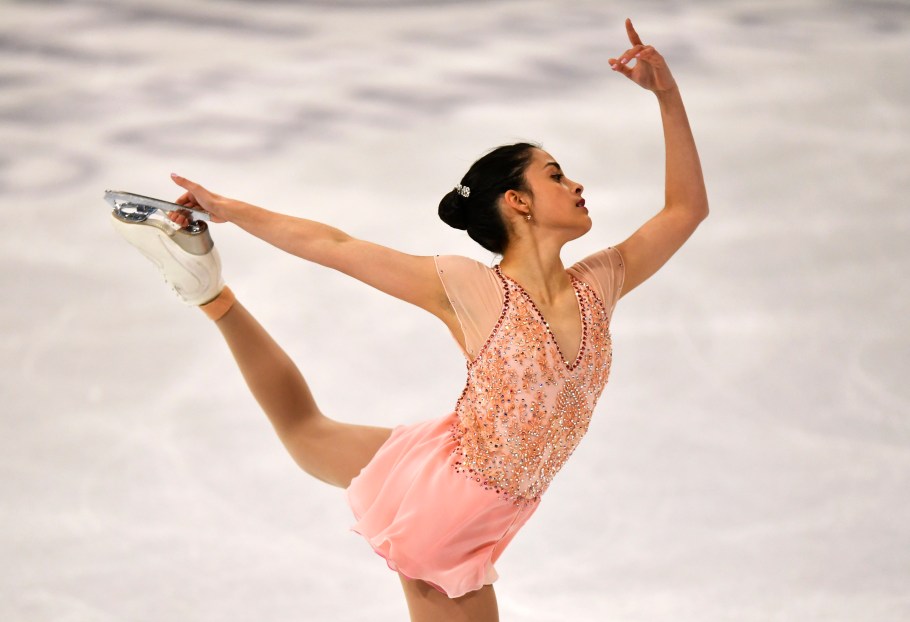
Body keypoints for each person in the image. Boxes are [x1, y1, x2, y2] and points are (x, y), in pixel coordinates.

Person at [110, 18, 707, 622]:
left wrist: (667, 95)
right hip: (451, 514)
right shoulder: (473, 288)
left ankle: (210, 294)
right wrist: (230, 208)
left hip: (456, 462)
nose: (576, 184)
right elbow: (335, 245)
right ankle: (212, 295)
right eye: (555, 174)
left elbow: (687, 209)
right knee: (305, 435)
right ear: (517, 202)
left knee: (306, 434)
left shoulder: (599, 283)